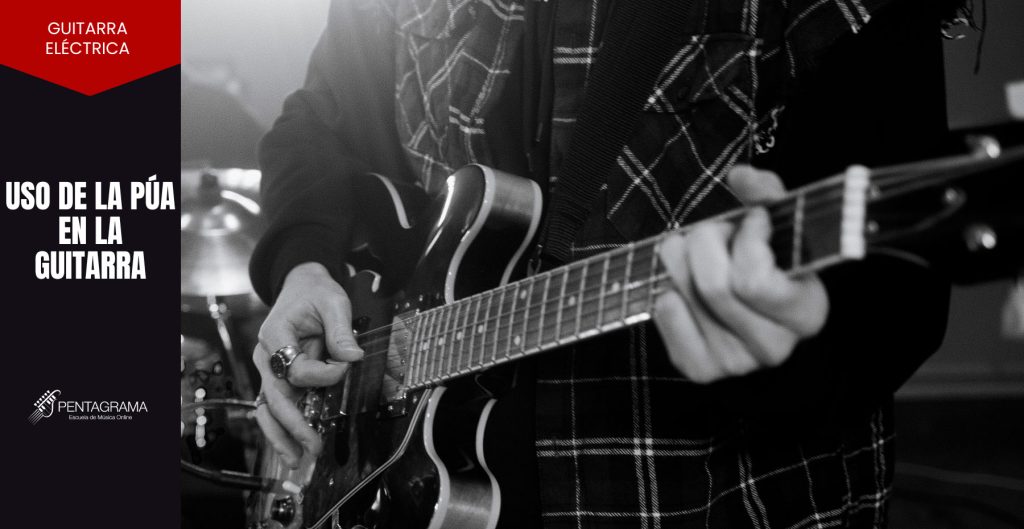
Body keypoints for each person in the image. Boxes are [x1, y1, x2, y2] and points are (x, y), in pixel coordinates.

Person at [249, 0, 962, 526]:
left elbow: (900, 292)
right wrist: (302, 263)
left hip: (709, 502)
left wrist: (795, 348)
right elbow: (313, 123)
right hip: (425, 496)